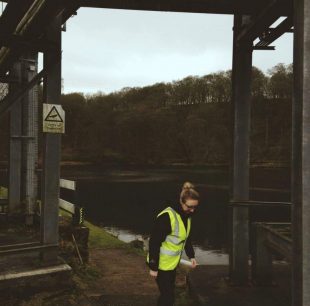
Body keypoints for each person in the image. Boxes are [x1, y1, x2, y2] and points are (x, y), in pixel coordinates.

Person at [147, 182, 199, 306]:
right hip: (160, 265)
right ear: (181, 202)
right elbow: (154, 242)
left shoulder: (187, 217)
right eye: (190, 207)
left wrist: (191, 256)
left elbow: (186, 239)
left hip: (172, 264)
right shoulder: (167, 217)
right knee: (168, 297)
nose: (192, 210)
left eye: (195, 207)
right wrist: (153, 267)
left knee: (168, 295)